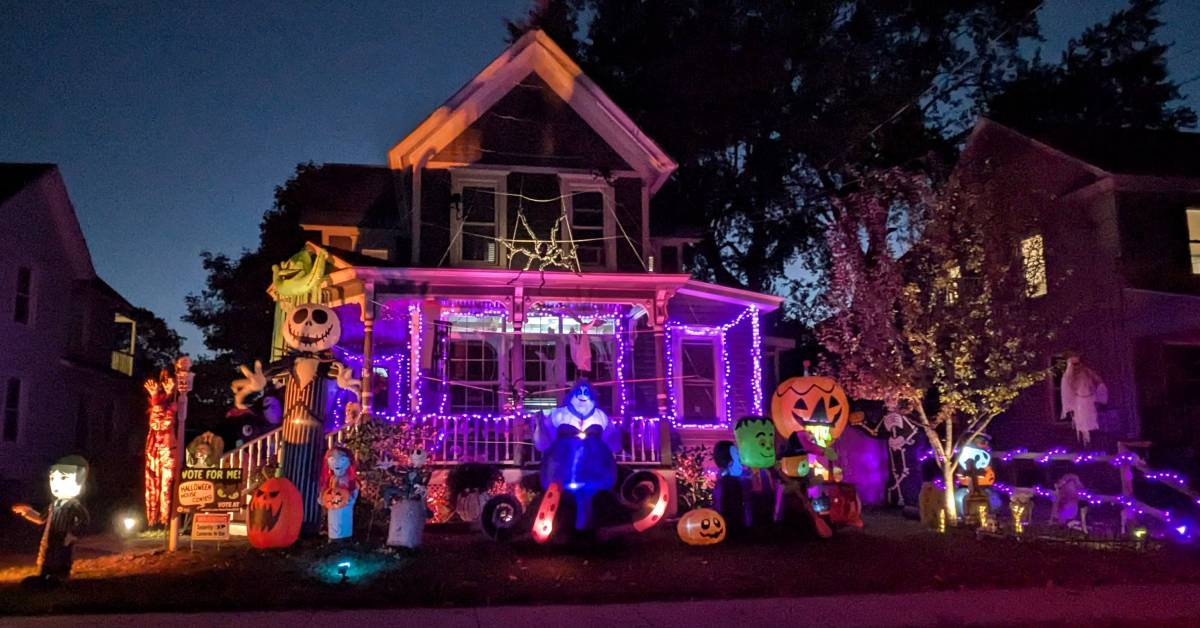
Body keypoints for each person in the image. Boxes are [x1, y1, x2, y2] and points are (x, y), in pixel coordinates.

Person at [11, 456, 91, 587]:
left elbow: (84, 521)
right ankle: (45, 577)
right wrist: (28, 512)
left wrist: (72, 535)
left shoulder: (74, 506)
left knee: (62, 556)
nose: (56, 483)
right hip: (50, 537)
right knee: (48, 556)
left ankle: (60, 578)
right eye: (52, 478)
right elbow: (41, 519)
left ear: (79, 483)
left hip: (64, 538)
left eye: (63, 478)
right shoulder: (53, 505)